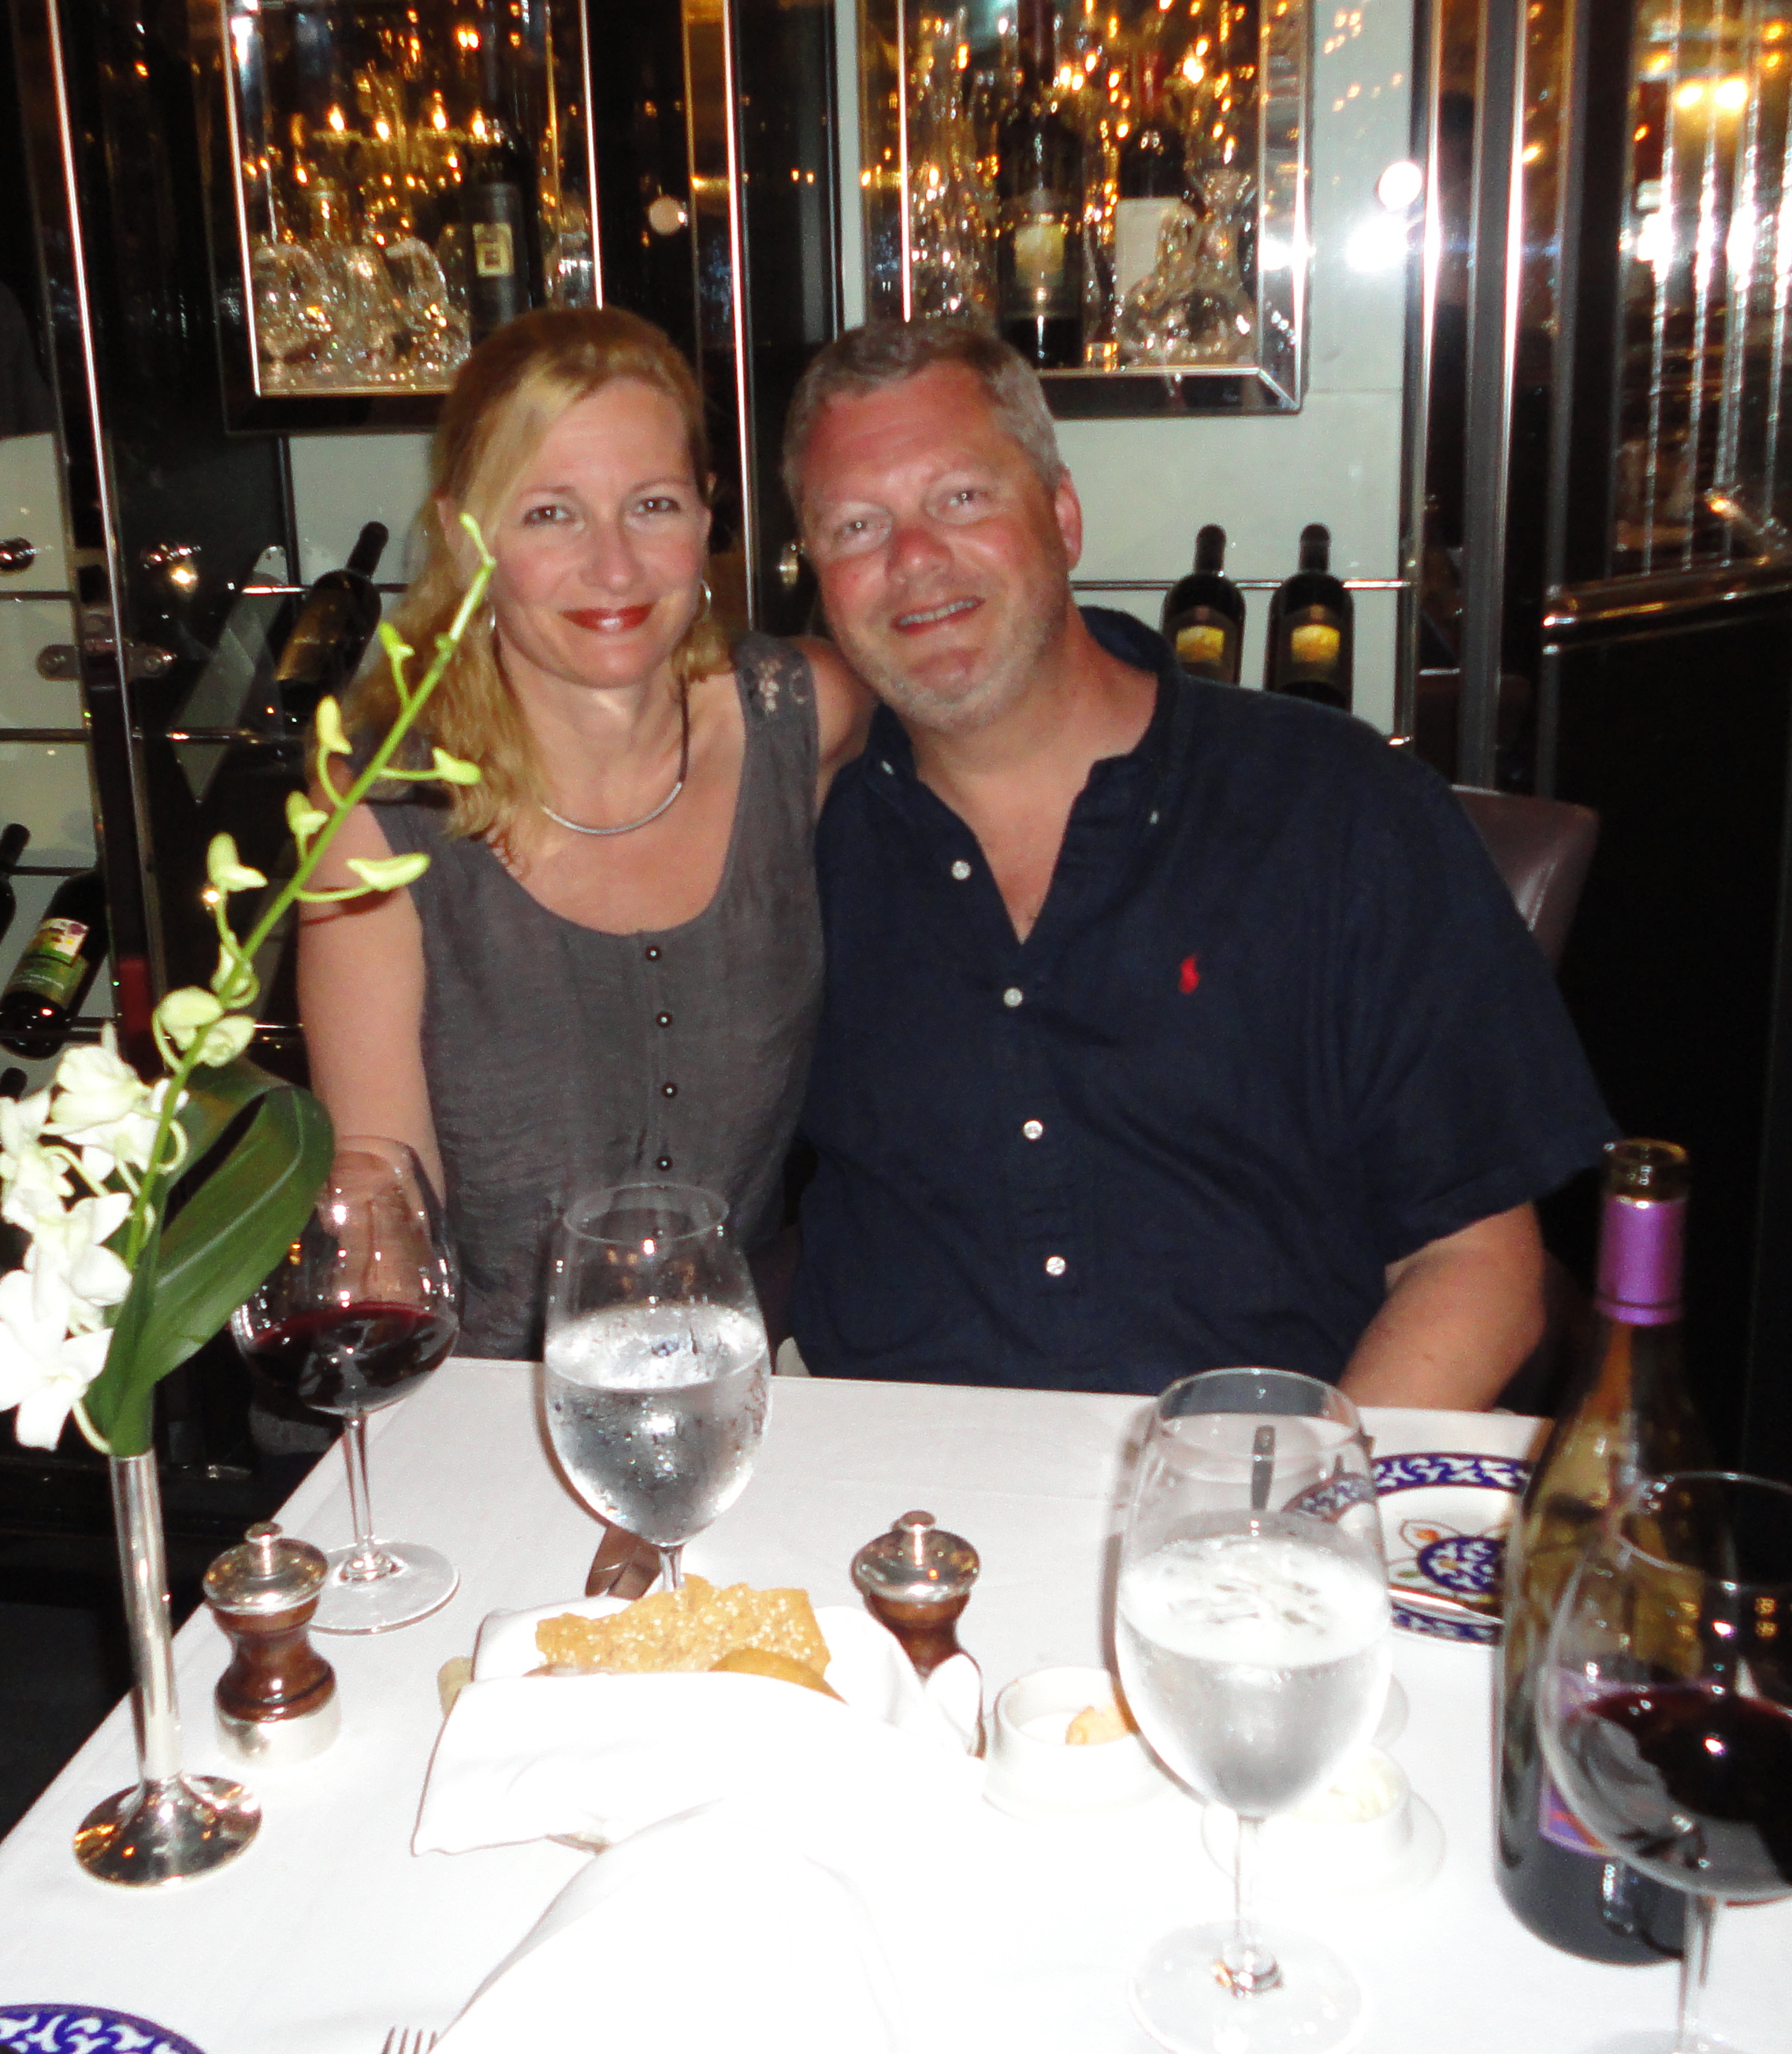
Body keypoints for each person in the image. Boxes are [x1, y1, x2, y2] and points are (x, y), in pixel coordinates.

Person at [783, 320, 1611, 1406]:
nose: (914, 559)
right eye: (856, 525)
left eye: (962, 498)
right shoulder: (795, 836)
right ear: (819, 577)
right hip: (882, 1482)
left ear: (1062, 516)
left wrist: (1304, 1493)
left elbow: (1478, 1267)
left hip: (1272, 1462)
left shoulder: (1339, 809)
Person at [298, 307, 868, 1358]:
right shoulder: (383, 813)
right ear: (466, 536)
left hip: (736, 1387)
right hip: (478, 1407)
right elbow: (377, 1209)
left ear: (705, 514)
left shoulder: (805, 715)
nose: (614, 568)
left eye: (652, 505)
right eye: (550, 514)